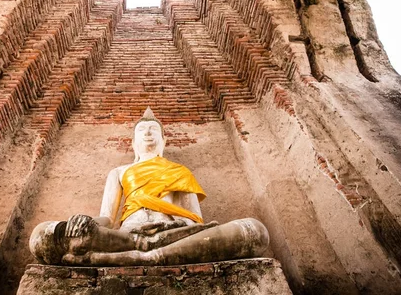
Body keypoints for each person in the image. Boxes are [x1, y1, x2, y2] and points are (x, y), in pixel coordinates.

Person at [30, 108, 269, 266]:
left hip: (173, 233)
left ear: (164, 141)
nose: (147, 133)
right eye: (142, 131)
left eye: (153, 130)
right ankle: (147, 254)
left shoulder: (179, 171)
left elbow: (196, 221)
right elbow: (107, 219)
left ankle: (143, 256)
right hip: (127, 235)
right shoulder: (119, 172)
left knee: (254, 232)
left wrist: (179, 227)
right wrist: (86, 223)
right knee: (43, 236)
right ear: (133, 143)